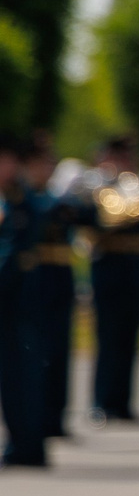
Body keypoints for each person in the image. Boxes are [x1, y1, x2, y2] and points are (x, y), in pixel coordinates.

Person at [82, 135, 139, 421]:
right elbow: (89, 220)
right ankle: (102, 401)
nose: (124, 163)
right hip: (108, 266)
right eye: (118, 157)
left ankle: (124, 403)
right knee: (107, 336)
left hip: (136, 268)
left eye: (128, 157)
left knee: (131, 337)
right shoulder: (97, 188)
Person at [17, 134, 80, 444]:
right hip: (33, 277)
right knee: (33, 352)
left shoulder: (60, 199)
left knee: (59, 351)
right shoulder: (23, 198)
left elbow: (89, 218)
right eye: (42, 163)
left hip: (60, 276)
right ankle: (35, 418)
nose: (47, 168)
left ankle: (56, 416)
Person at [0, 138, 44, 468]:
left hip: (17, 301)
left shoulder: (21, 201)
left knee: (21, 376)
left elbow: (14, 253)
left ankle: (28, 446)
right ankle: (20, 441)